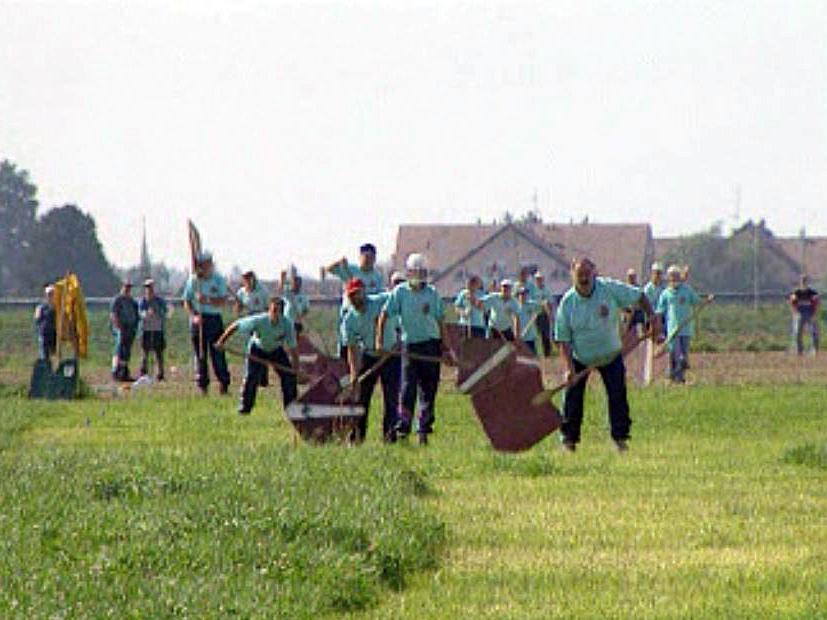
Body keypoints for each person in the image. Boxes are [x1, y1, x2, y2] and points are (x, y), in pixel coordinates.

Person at [554, 257, 657, 452]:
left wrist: (652, 317)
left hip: (610, 355)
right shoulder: (567, 304)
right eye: (580, 274)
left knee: (617, 396)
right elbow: (563, 339)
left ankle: (620, 439)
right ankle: (568, 441)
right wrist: (568, 369)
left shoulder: (609, 289)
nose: (584, 278)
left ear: (594, 272)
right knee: (572, 399)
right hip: (580, 357)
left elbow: (640, 296)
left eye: (587, 273)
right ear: (572, 275)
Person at [376, 253, 449, 445]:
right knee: (408, 388)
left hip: (430, 345)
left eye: (423, 272)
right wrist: (379, 341)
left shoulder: (432, 293)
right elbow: (384, 315)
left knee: (429, 389)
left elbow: (441, 320)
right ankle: (403, 427)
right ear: (409, 272)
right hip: (409, 346)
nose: (420, 275)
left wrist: (446, 346)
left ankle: (423, 429)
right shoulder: (400, 293)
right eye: (416, 271)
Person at [341, 277, 401, 442]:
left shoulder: (381, 301)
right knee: (362, 399)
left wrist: (401, 335)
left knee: (391, 398)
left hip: (391, 355)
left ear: (363, 292)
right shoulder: (349, 319)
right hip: (369, 356)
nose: (354, 298)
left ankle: (390, 437)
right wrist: (354, 374)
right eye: (350, 295)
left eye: (356, 294)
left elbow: (400, 299)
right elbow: (352, 348)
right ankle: (357, 437)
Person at [216, 296, 299, 415]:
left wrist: (295, 368)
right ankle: (245, 407)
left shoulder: (287, 324)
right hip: (257, 349)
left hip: (276, 350)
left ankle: (291, 408)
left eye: (278, 311)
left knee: (289, 377)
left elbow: (293, 348)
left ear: (282, 312)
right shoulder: (259, 320)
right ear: (269, 310)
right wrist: (221, 342)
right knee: (251, 377)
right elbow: (235, 326)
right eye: (273, 310)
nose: (275, 314)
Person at [182, 251, 231, 394]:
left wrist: (208, 299)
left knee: (218, 353)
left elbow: (222, 300)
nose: (205, 267)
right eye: (202, 265)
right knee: (200, 355)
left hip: (214, 320)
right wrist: (194, 316)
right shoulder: (193, 281)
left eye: (207, 264)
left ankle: (223, 383)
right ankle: (203, 385)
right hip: (198, 321)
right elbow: (186, 301)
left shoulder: (218, 280)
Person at [326, 243, 385, 357]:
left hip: (368, 316)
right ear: (360, 257)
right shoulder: (351, 270)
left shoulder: (377, 276)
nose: (368, 260)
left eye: (371, 257)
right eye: (366, 257)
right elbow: (329, 269)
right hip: (350, 312)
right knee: (347, 344)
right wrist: (338, 262)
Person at [656, 265, 701, 384]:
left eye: (676, 276)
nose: (674, 279)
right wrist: (659, 328)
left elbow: (696, 301)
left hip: (686, 329)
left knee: (684, 356)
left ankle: (679, 378)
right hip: (672, 330)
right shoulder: (665, 293)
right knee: (677, 355)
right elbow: (660, 311)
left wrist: (706, 300)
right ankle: (674, 375)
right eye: (671, 277)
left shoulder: (687, 290)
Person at [138, 279, 168, 381]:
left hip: (157, 329)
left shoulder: (160, 301)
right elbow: (140, 313)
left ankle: (160, 373)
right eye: (147, 287)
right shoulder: (143, 301)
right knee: (145, 351)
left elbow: (165, 312)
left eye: (150, 287)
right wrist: (145, 314)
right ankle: (143, 372)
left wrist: (157, 312)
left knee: (158, 352)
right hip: (146, 329)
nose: (149, 289)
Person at [110, 280, 140, 381]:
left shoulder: (132, 301)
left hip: (130, 328)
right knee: (119, 349)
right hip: (121, 327)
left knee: (127, 350)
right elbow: (113, 314)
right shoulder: (117, 300)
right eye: (126, 287)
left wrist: (135, 326)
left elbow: (136, 315)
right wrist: (117, 325)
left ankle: (124, 371)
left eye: (129, 287)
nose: (127, 289)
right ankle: (115, 371)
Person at [789, 275, 820, 355]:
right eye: (802, 280)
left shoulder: (812, 292)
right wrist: (795, 313)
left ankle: (814, 350)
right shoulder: (796, 292)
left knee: (814, 332)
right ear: (800, 282)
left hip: (810, 313)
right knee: (797, 333)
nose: (804, 282)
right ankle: (799, 351)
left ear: (807, 282)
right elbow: (792, 303)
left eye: (805, 280)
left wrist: (815, 314)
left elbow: (817, 303)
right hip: (800, 314)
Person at [531, 272, 555, 357]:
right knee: (534, 334)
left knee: (545, 334)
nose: (539, 280)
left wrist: (551, 315)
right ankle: (536, 353)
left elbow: (550, 303)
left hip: (544, 314)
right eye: (537, 279)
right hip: (534, 315)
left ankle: (547, 353)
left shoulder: (546, 290)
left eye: (540, 279)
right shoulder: (533, 290)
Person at [33, 284, 57, 366]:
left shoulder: (58, 307)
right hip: (44, 333)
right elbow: (37, 320)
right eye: (49, 294)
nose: (50, 296)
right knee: (44, 354)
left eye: (52, 294)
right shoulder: (41, 307)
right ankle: (45, 370)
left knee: (55, 353)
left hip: (55, 334)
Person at [515, 286, 542, 354]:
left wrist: (535, 313)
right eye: (521, 294)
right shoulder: (515, 306)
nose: (523, 296)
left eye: (525, 294)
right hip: (519, 337)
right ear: (518, 295)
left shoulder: (532, 304)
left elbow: (540, 309)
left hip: (530, 336)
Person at [643, 263, 666, 340]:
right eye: (656, 273)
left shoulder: (663, 288)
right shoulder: (648, 288)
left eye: (659, 274)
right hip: (651, 316)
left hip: (662, 316)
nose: (658, 276)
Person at [623, 269, 646, 337]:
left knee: (639, 335)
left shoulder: (638, 289)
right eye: (630, 277)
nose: (631, 278)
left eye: (632, 277)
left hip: (637, 314)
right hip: (627, 313)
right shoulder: (623, 288)